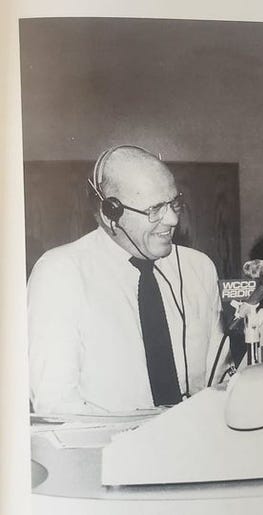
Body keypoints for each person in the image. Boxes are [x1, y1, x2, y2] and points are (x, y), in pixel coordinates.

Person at [28, 145, 228, 414]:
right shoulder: (60, 273)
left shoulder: (199, 268)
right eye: (155, 209)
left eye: (174, 203)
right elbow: (56, 403)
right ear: (111, 214)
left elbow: (218, 381)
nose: (172, 219)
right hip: (106, 452)